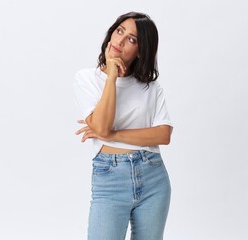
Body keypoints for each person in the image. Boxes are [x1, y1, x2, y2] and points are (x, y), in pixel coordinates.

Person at [73, 12, 173, 240]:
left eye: (132, 39)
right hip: (109, 177)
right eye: (119, 31)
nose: (120, 41)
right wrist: (111, 77)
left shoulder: (151, 87)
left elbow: (163, 134)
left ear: (141, 50)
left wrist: (112, 134)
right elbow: (101, 125)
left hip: (153, 177)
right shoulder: (86, 78)